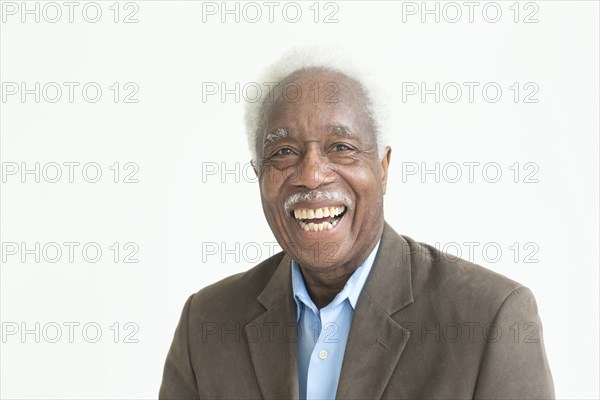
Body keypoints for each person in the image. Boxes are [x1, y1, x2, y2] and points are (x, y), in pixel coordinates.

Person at [159, 48, 554, 399]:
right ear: (259, 175)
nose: (312, 175)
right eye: (283, 151)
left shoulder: (490, 319)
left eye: (342, 147)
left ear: (382, 169)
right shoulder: (207, 322)